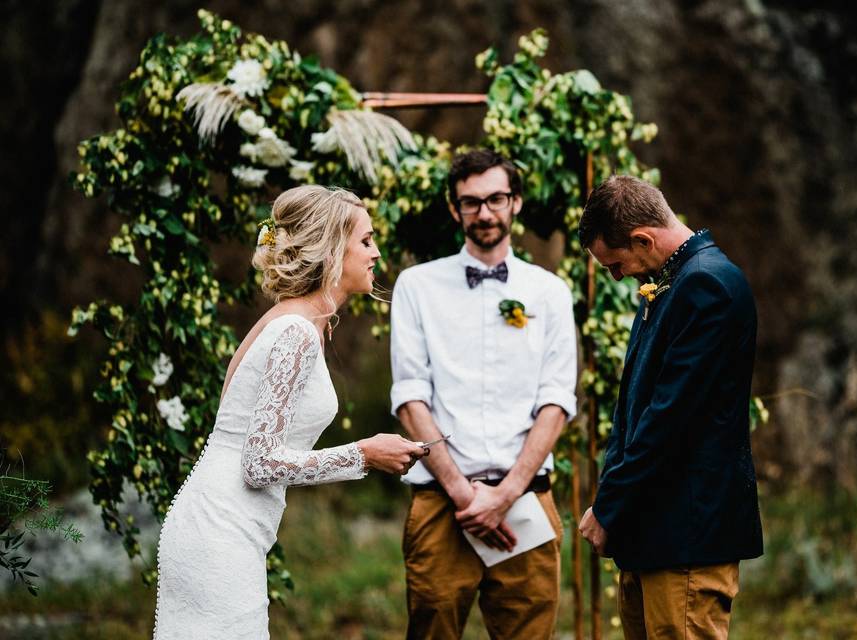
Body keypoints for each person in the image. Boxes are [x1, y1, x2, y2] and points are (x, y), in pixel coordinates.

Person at [153, 185, 426, 639]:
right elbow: (259, 464)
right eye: (366, 240)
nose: (376, 252)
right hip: (220, 531)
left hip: (224, 525)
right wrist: (364, 454)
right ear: (332, 249)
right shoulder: (296, 331)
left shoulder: (294, 321)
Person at [390, 149, 578, 639]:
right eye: (470, 202)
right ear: (455, 210)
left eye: (496, 198)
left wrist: (507, 492)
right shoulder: (416, 286)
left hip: (525, 503)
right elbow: (411, 400)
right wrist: (463, 494)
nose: (485, 213)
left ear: (515, 202)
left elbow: (556, 402)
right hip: (441, 502)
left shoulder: (550, 291)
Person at [577, 175, 763, 639]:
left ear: (643, 238)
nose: (618, 276)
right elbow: (633, 405)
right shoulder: (675, 281)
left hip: (688, 537)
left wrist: (609, 506)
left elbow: (668, 419)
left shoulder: (707, 286)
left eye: (616, 264)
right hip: (653, 534)